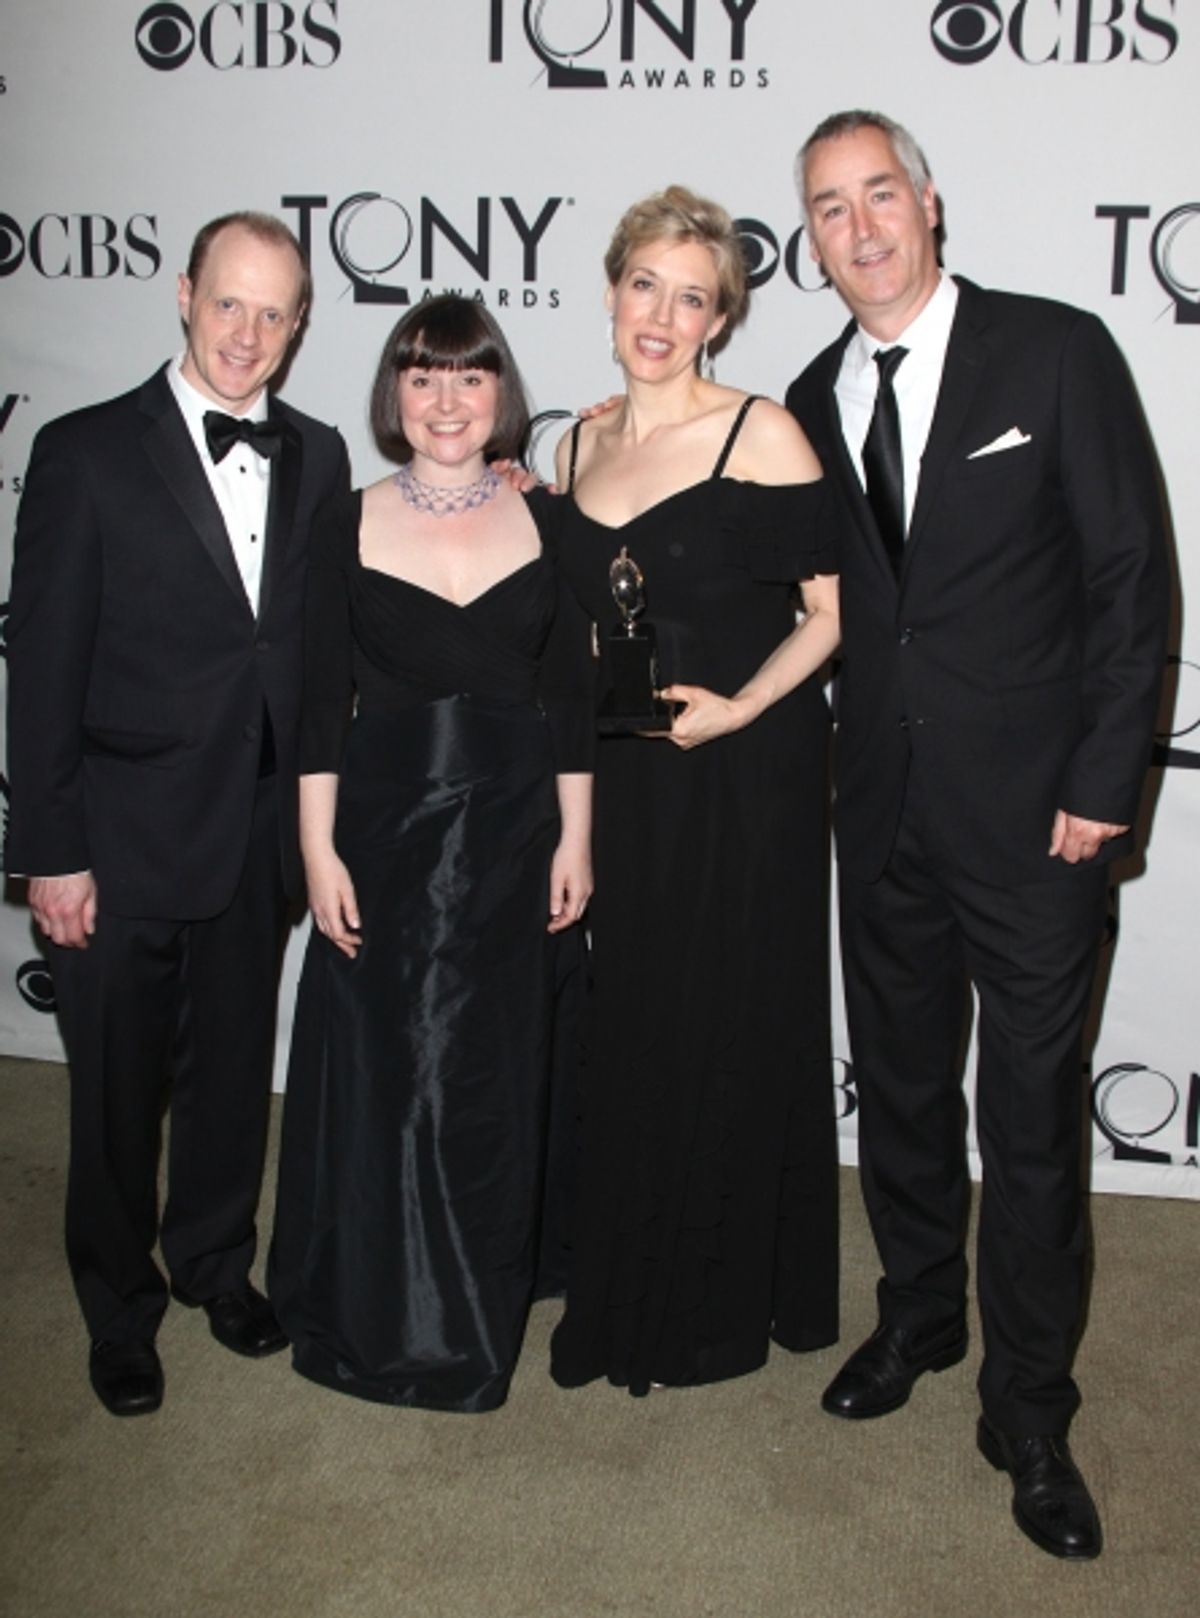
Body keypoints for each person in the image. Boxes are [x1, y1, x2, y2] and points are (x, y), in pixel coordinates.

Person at [785, 112, 1168, 1559]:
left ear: (931, 205)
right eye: (830, 207)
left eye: (881, 193)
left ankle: (1034, 1405)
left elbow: (1134, 580)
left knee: (1028, 1121)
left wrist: (1102, 780)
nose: (861, 225)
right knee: (897, 1098)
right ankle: (921, 1320)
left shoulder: (1054, 351)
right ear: (810, 240)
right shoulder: (808, 403)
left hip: (1039, 828)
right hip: (879, 819)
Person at [5, 212, 350, 1416]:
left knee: (228, 1071)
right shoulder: (86, 451)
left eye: (275, 312)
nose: (248, 334)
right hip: (122, 833)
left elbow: (316, 652)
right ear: (183, 294)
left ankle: (214, 1262)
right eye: (229, 304)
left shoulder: (318, 455)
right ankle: (120, 1304)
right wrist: (50, 852)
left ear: (299, 323)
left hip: (258, 833)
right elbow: (43, 664)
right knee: (111, 1090)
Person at [267, 295, 594, 1413]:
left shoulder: (548, 520)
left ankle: (482, 1288)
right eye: (421, 375)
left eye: (467, 376)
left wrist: (578, 843)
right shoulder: (341, 518)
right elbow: (317, 707)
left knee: (489, 1074)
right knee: (394, 1076)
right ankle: (393, 1306)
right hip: (385, 837)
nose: (445, 400)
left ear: (499, 391)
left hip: (513, 837)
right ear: (392, 394)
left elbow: (572, 700)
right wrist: (317, 851)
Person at [548, 187, 842, 1397]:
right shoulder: (576, 440)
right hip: (616, 774)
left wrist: (743, 707)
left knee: (724, 1019)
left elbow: (832, 616)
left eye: (693, 296)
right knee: (630, 1023)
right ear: (612, 291)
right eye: (645, 287)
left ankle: (710, 1302)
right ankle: (618, 1273)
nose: (663, 315)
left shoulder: (760, 433)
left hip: (736, 774)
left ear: (721, 317)